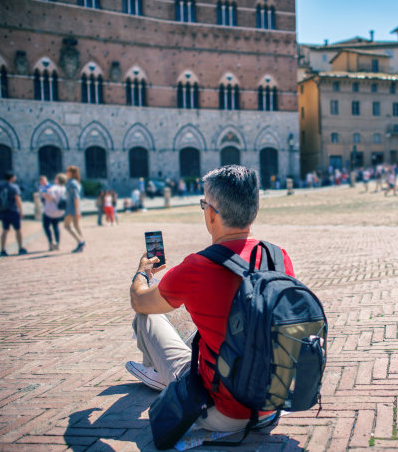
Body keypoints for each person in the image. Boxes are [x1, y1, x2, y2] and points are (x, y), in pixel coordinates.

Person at [126, 165, 295, 432]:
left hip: (222, 411)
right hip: (271, 403)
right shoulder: (277, 256)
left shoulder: (198, 267)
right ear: (255, 209)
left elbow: (139, 300)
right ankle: (163, 373)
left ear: (212, 214)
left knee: (148, 314)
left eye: (204, 204)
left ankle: (160, 373)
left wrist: (142, 273)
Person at [0, 171, 27, 256]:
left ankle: (2, 250)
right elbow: (17, 199)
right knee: (18, 230)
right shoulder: (14, 187)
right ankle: (21, 248)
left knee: (5, 230)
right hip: (13, 211)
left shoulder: (0, 186)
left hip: (3, 211)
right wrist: (21, 210)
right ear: (12, 178)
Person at [41, 173, 66, 251]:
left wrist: (43, 194)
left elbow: (49, 196)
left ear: (58, 179)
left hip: (50, 210)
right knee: (56, 226)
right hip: (60, 211)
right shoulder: (64, 188)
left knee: (46, 226)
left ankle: (51, 242)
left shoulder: (54, 187)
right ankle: (57, 243)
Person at [64, 165, 85, 253]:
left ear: (71, 173)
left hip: (71, 207)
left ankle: (80, 241)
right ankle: (81, 241)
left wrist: (76, 210)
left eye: (67, 171)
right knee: (76, 225)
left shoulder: (72, 183)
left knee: (67, 226)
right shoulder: (74, 182)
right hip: (74, 207)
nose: (66, 173)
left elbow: (76, 197)